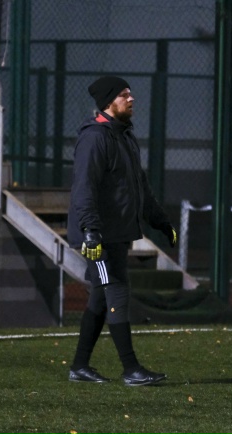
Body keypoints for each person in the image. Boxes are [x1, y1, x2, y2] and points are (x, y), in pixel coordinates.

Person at [67, 76, 177, 386]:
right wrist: (91, 230)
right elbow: (84, 188)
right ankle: (131, 369)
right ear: (108, 102)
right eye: (124, 95)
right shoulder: (94, 138)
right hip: (98, 237)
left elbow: (140, 188)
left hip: (116, 233)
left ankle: (79, 367)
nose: (131, 99)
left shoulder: (125, 137)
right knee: (116, 289)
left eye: (130, 94)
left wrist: (161, 221)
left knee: (100, 298)